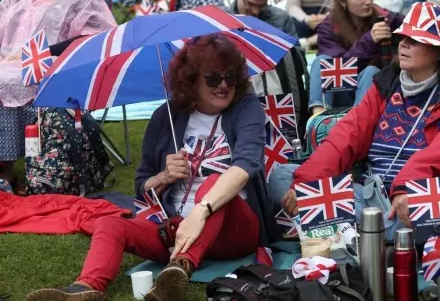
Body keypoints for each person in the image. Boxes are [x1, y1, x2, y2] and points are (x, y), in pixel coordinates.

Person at [26, 34, 279, 301]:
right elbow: (141, 185)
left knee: (215, 181)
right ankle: (85, 287)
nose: (225, 84)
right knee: (110, 225)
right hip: (175, 226)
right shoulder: (165, 116)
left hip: (234, 229)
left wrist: (200, 213)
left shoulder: (246, 107)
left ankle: (179, 269)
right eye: (214, 78)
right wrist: (164, 176)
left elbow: (245, 166)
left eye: (230, 75)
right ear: (191, 81)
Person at [269, 2, 440, 240]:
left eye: (414, 40)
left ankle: (334, 224)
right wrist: (307, 182)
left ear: (438, 51)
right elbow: (348, 134)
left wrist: (404, 186)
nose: (403, 44)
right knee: (281, 175)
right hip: (365, 190)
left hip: (413, 196)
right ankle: (349, 225)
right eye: (402, 37)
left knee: (415, 217)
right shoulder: (387, 82)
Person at [0, 0, 116, 188]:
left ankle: (8, 167)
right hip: (11, 66)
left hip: (56, 73)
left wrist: (42, 53)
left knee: (7, 81)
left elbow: (96, 42)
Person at [309, 0, 404, 114]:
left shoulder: (386, 18)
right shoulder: (327, 27)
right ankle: (319, 119)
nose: (367, 1)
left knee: (371, 71)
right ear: (342, 1)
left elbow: (416, 28)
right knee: (321, 61)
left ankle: (359, 122)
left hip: (372, 97)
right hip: (339, 94)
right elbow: (342, 68)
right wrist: (370, 40)